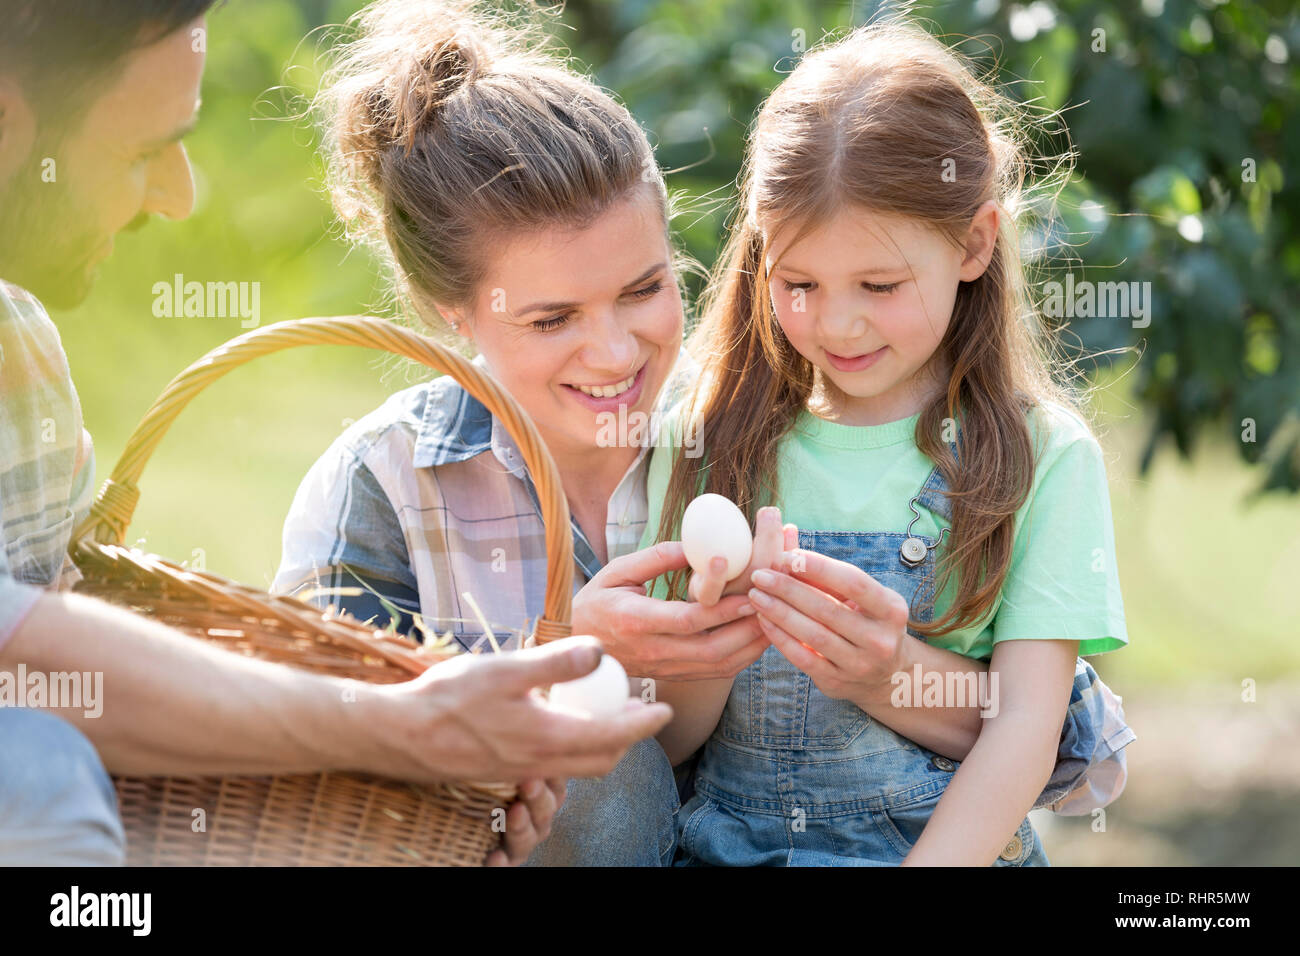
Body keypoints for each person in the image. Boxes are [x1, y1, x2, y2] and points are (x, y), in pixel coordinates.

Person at [275, 0, 1133, 866]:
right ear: (446, 311)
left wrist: (884, 672)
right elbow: (306, 777)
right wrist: (572, 659)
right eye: (551, 319)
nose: (613, 353)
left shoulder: (722, 428)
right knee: (593, 768)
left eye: (645, 289)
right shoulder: (384, 486)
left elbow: (1072, 746)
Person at [0, 0, 671, 868]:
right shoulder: (382, 485)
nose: (180, 194)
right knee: (40, 773)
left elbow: (55, 654)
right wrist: (412, 726)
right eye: (140, 149)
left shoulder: (21, 358)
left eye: (645, 289)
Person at [642, 19, 1135, 866]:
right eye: (798, 283)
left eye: (878, 284)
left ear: (974, 243)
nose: (836, 322)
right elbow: (673, 745)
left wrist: (887, 673)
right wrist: (709, 643)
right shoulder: (707, 428)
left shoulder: (1039, 457)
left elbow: (1027, 728)